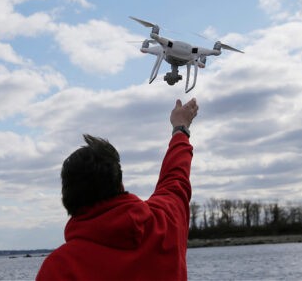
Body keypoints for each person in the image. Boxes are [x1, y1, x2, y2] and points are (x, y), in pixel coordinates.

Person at [36, 98, 198, 281]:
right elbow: (176, 178)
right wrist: (180, 128)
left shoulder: (59, 268)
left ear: (67, 199)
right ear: (120, 186)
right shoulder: (165, 223)